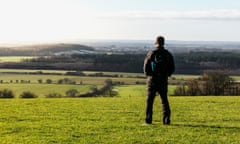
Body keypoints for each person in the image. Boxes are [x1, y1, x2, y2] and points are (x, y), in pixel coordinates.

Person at [143, 36, 175, 125]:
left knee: (150, 101)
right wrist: (166, 75)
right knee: (164, 100)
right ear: (163, 43)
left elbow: (146, 67)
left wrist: (149, 76)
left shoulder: (152, 53)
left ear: (155, 42)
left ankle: (148, 120)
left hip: (152, 80)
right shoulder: (167, 54)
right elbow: (172, 68)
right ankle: (166, 120)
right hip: (163, 80)